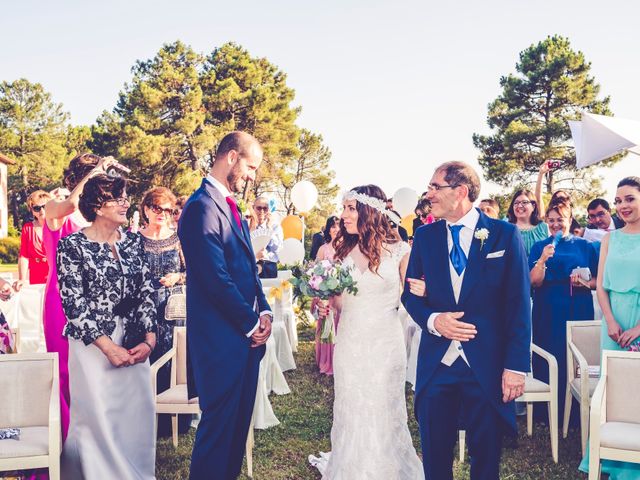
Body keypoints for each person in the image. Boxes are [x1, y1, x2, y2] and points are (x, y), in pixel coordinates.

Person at [402, 161, 531, 480]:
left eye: (435, 187)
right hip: (437, 366)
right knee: (435, 456)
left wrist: (515, 367)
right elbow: (409, 295)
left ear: (460, 191)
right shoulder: (425, 236)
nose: (428, 193)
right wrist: (433, 320)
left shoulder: (504, 234)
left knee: (486, 459)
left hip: (485, 365)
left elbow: (518, 304)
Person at [309, 185, 423, 479]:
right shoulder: (340, 250)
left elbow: (413, 297)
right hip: (350, 340)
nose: (343, 215)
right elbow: (339, 301)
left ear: (368, 211)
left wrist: (425, 291)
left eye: (350, 208)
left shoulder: (400, 250)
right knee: (351, 403)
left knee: (384, 405)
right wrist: (326, 302)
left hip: (385, 342)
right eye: (343, 208)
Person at [178, 131, 272, 480]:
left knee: (235, 434)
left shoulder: (231, 206)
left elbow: (248, 268)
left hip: (244, 342)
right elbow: (215, 278)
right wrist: (251, 323)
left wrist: (263, 310)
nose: (252, 175)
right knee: (217, 436)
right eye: (250, 166)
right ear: (231, 157)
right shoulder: (201, 208)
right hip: (220, 344)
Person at [58, 174, 157, 479]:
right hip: (91, 345)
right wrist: (107, 347)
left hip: (133, 340)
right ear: (98, 206)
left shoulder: (134, 243)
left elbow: (146, 292)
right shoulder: (72, 246)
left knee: (136, 412)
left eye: (126, 197)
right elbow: (73, 304)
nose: (126, 203)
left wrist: (150, 340)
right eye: (118, 198)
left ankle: (135, 471)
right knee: (98, 415)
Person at [42, 152, 119, 440]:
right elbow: (71, 203)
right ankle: (65, 445)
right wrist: (94, 172)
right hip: (60, 302)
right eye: (93, 177)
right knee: (66, 374)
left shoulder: (94, 215)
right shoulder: (53, 207)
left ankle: (94, 444)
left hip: (94, 303)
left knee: (93, 373)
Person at [579, 176, 640, 479]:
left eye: (629, 198)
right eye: (618, 200)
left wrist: (639, 327)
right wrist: (612, 321)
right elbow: (600, 286)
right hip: (613, 321)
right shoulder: (609, 239)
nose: (623, 206)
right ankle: (608, 460)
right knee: (611, 389)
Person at [529, 201, 598, 423]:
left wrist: (585, 283)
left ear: (570, 219)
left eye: (561, 219)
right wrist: (542, 260)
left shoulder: (586, 246)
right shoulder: (539, 245)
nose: (556, 224)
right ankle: (546, 410)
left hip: (577, 304)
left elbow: (598, 280)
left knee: (574, 353)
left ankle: (577, 411)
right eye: (551, 220)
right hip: (547, 305)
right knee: (549, 350)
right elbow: (533, 281)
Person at [139, 186, 190, 437]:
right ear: (146, 208)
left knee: (174, 357)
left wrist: (178, 277)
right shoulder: (134, 239)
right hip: (144, 309)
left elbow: (194, 272)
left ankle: (177, 421)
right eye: (157, 208)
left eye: (167, 210)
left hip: (174, 308)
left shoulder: (179, 239)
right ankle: (147, 419)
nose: (162, 213)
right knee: (148, 358)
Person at [312, 215, 340, 375]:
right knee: (327, 328)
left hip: (343, 295)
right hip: (326, 295)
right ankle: (327, 360)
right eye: (333, 226)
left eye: (338, 226)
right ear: (328, 229)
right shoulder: (323, 249)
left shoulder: (348, 248)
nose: (336, 229)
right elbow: (315, 273)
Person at [15, 190, 52, 289]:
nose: (42, 211)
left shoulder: (58, 227)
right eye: (37, 208)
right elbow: (24, 256)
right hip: (36, 280)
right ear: (31, 210)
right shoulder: (27, 228)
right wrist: (21, 279)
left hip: (56, 280)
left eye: (45, 206)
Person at [506, 189, 549, 255]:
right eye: (516, 203)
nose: (519, 206)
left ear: (533, 206)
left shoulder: (545, 228)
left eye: (524, 202)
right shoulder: (506, 229)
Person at [249, 195, 284, 277]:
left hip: (269, 266)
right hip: (251, 264)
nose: (262, 211)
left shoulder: (275, 227)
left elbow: (278, 249)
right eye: (259, 208)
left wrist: (269, 228)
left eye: (265, 208)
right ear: (253, 208)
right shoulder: (247, 225)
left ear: (268, 210)